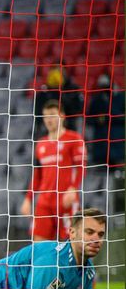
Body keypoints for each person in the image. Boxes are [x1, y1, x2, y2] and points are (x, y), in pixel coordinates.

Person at [20, 100, 86, 241]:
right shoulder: (40, 144)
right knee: (38, 244)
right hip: (44, 202)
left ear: (62, 116)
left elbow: (81, 167)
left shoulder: (74, 139)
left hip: (65, 200)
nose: (48, 120)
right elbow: (37, 175)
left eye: (52, 115)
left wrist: (74, 189)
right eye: (45, 116)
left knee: (72, 243)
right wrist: (28, 199)